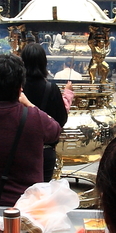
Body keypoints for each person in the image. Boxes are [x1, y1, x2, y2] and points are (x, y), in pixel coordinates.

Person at [0, 55, 63, 206]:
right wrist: (29, 104)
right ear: (20, 86)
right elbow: (55, 130)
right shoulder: (35, 117)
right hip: (28, 204)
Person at [20, 43, 71, 182]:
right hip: (44, 149)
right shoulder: (51, 88)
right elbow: (61, 119)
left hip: (19, 148)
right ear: (44, 62)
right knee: (42, 193)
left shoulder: (17, 87)